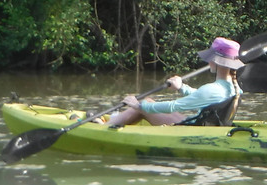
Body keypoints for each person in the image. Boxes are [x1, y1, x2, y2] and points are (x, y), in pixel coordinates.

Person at [97, 37, 244, 128]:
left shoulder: (211, 89)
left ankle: (103, 127)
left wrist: (140, 105)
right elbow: (203, 97)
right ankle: (115, 119)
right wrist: (182, 88)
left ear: (214, 61)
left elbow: (173, 106)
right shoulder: (234, 88)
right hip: (202, 126)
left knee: (145, 103)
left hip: (190, 132)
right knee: (146, 103)